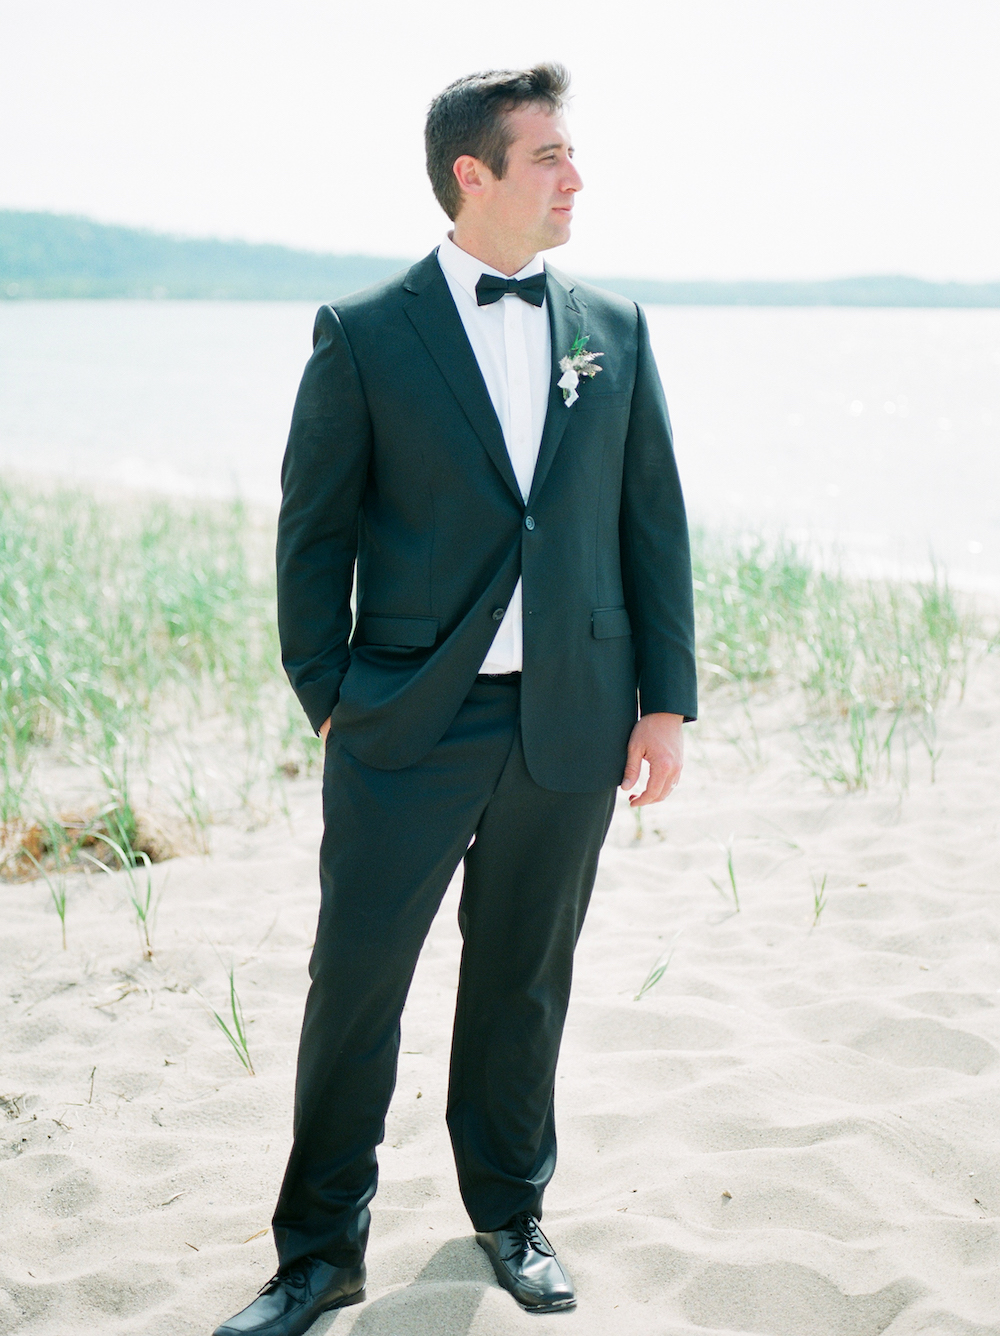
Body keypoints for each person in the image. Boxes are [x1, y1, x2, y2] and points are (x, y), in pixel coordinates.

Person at [213, 61, 697, 1336]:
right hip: (407, 721)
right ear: (470, 174)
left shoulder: (616, 327)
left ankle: (510, 1212)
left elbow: (652, 523)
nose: (574, 177)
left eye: (570, 155)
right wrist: (330, 694)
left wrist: (664, 700)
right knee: (357, 980)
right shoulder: (366, 331)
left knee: (524, 978)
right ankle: (317, 1253)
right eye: (547, 156)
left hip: (576, 717)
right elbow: (309, 533)